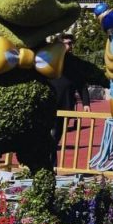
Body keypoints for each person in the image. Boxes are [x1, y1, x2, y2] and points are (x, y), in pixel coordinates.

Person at [48, 34, 92, 165]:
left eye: (71, 43)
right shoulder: (50, 59)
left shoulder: (74, 63)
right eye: (67, 43)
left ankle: (50, 165)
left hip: (66, 105)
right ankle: (50, 165)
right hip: (49, 104)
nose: (70, 46)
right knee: (50, 135)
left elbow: (81, 83)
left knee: (56, 137)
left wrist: (86, 103)